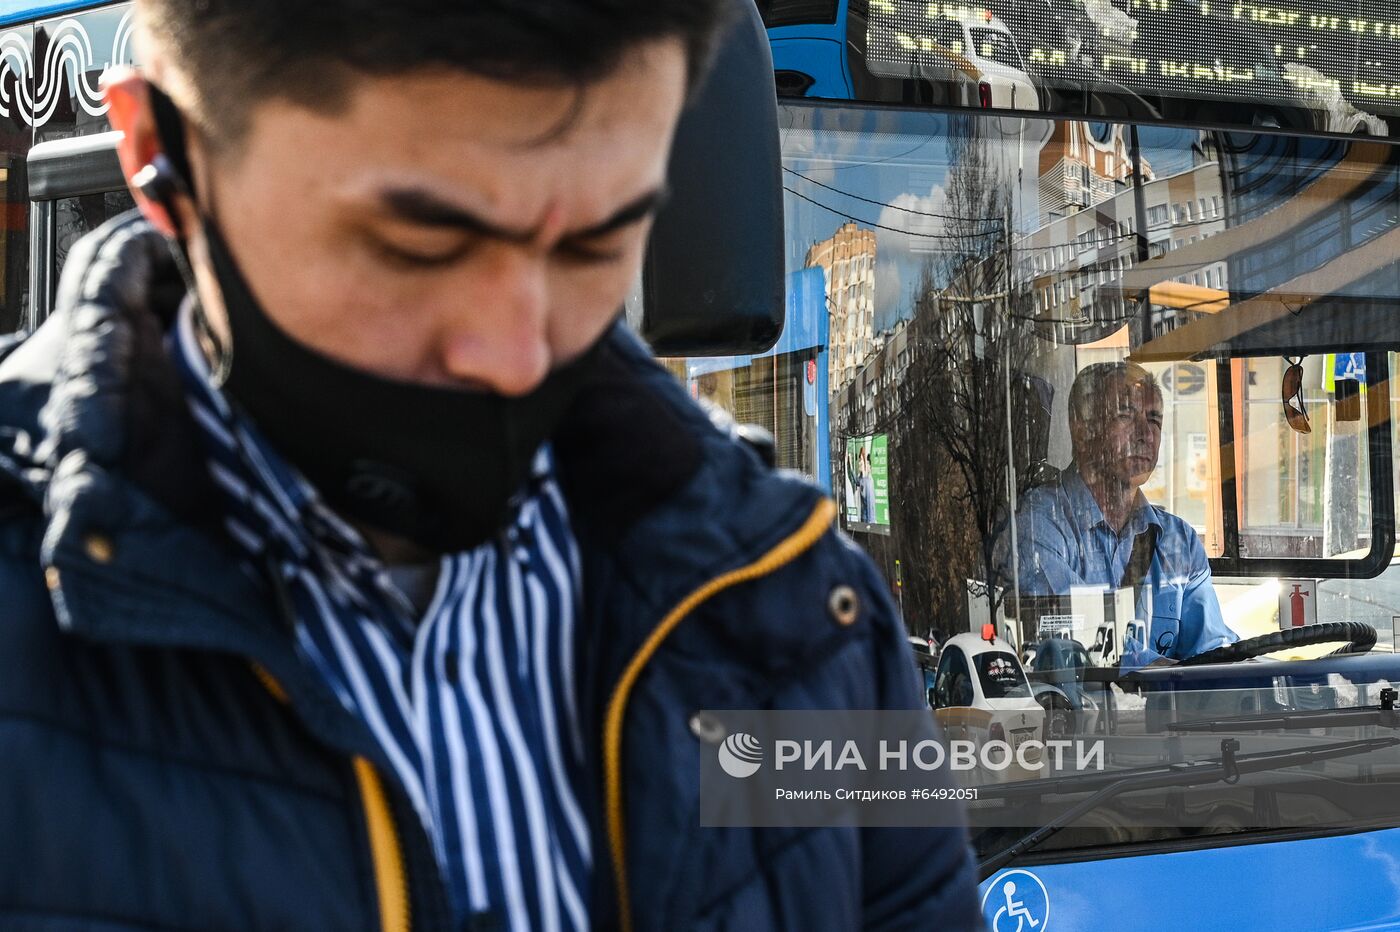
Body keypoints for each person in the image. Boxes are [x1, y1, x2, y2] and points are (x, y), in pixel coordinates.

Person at [0, 1, 981, 929]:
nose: (516, 355)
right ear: (158, 152)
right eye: (419, 244)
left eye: (598, 241)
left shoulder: (804, 617)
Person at [1012, 362, 1237, 666]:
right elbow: (1075, 639)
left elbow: (1214, 653)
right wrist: (1163, 672)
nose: (1145, 434)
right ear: (1082, 428)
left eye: (1154, 419)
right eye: (1126, 415)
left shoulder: (1179, 542)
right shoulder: (1040, 524)